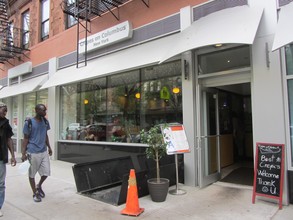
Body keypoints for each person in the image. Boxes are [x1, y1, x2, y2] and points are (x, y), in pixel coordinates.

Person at [22, 104, 52, 203]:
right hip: (32, 151)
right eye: (43, 110)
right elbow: (25, 138)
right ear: (37, 110)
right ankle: (35, 193)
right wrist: (23, 153)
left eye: (45, 110)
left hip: (43, 151)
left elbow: (46, 135)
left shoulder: (45, 121)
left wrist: (49, 147)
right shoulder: (29, 122)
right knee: (32, 174)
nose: (45, 112)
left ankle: (38, 185)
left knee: (46, 172)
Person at [0, 102, 16, 217]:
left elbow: (9, 139)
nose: (5, 112)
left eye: (6, 111)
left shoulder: (6, 124)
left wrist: (13, 156)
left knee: (0, 184)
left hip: (1, 157)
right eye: (3, 110)